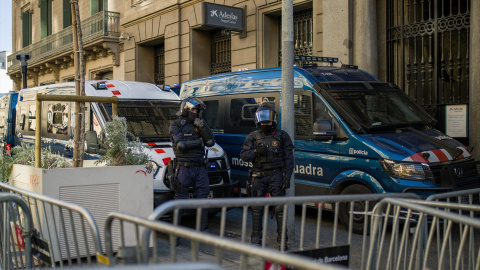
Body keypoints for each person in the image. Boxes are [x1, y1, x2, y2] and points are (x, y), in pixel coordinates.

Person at [240, 102, 294, 250]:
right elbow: (244, 155)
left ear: (273, 120)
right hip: (258, 177)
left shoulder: (282, 136)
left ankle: (282, 239)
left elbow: (289, 159)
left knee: (280, 209)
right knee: (257, 209)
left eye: (268, 120)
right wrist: (256, 152)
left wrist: (287, 177)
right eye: (263, 120)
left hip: (276, 176)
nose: (265, 123)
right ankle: (256, 238)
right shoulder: (253, 136)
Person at [169, 97, 215, 232]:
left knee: (203, 197)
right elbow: (181, 145)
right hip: (184, 168)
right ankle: (175, 234)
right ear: (186, 110)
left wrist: (202, 127)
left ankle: (202, 231)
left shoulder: (200, 124)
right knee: (180, 199)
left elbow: (211, 142)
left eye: (198, 110)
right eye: (194, 109)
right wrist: (200, 142)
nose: (196, 113)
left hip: (200, 167)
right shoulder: (176, 125)